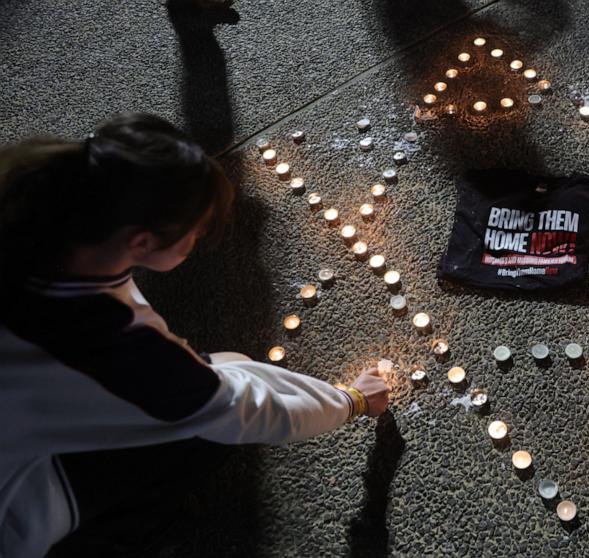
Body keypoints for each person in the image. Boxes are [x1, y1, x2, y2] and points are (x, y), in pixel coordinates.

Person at [0, 113, 390, 557]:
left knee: (227, 364)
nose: (201, 236)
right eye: (195, 230)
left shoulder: (36, 230)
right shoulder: (102, 338)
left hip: (25, 424)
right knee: (206, 433)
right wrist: (352, 401)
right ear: (142, 241)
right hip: (17, 500)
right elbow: (249, 413)